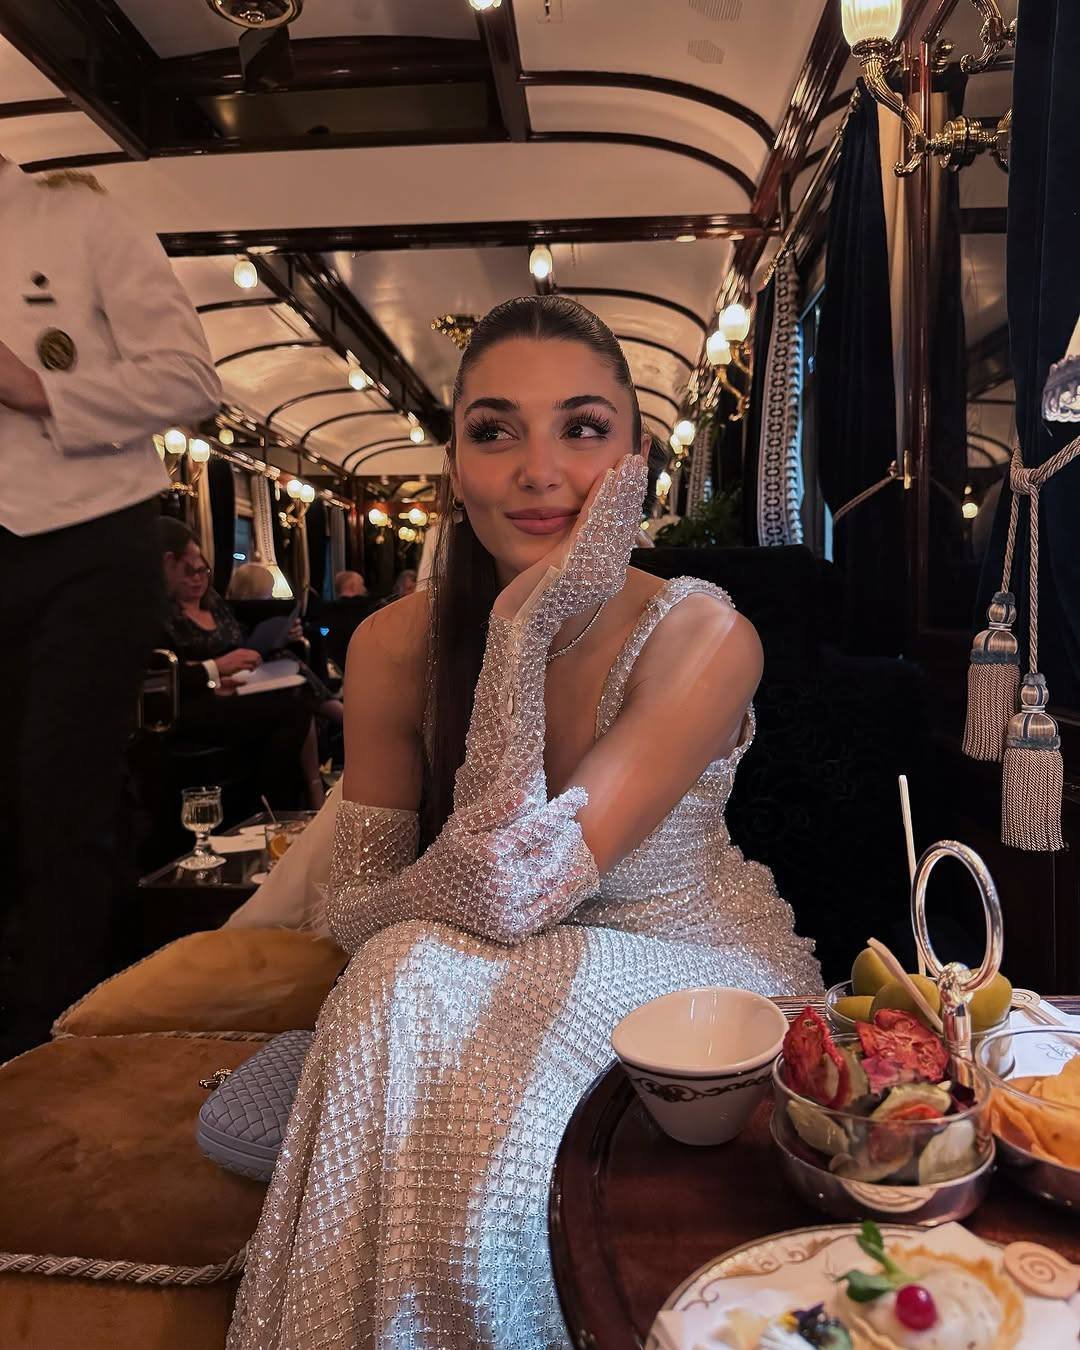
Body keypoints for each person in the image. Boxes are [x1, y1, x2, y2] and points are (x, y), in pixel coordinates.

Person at [228, 297, 821, 1349]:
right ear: (455, 468)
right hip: (478, 962)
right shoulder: (391, 646)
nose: (540, 471)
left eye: (582, 429)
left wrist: (517, 625)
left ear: (637, 460)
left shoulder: (705, 634)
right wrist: (517, 628)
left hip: (687, 964)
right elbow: (348, 912)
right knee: (401, 966)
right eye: (495, 431)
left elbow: (517, 882)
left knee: (410, 966)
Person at [0, 160, 221, 1059]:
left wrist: (38, 388)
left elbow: (189, 380)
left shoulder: (78, 220)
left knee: (59, 798)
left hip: (84, 540)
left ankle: (45, 1052)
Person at [160, 521, 331, 807]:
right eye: (190, 570)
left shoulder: (216, 605)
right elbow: (170, 675)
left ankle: (300, 795)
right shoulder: (159, 615)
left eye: (203, 571)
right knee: (292, 708)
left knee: (293, 685)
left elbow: (240, 641)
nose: (197, 578)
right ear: (168, 563)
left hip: (232, 683)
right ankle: (277, 804)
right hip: (191, 704)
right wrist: (216, 671)